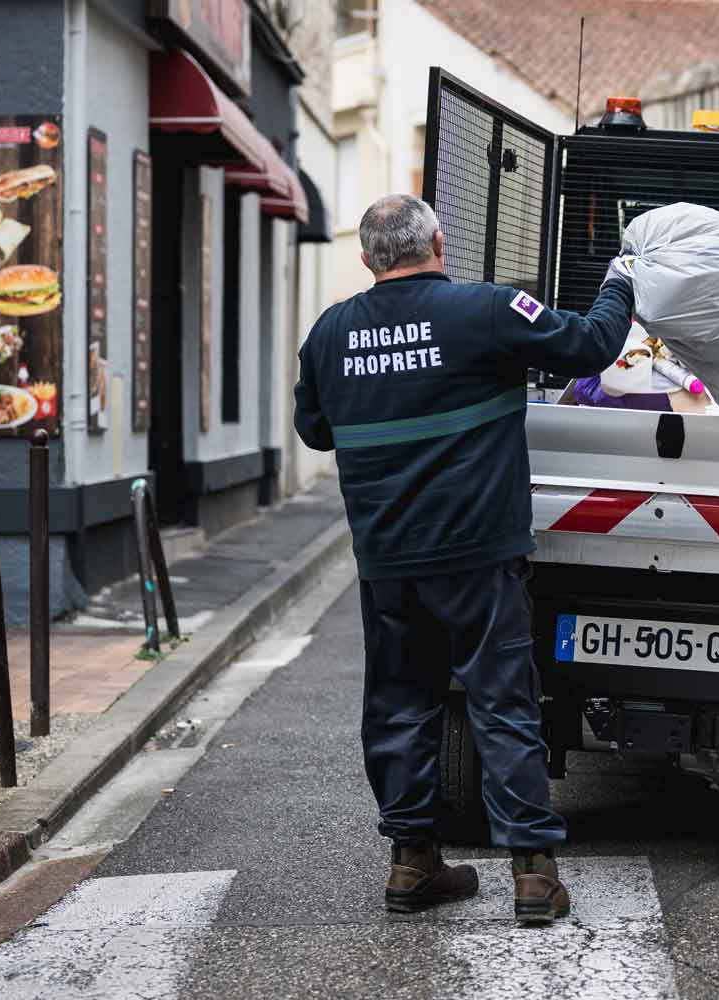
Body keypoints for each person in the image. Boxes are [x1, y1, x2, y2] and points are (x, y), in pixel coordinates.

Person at [292, 193, 635, 924]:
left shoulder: (330, 333)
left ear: (366, 260)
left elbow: (315, 431)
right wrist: (621, 280)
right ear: (439, 244)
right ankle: (533, 875)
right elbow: (590, 346)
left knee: (399, 704)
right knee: (501, 701)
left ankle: (413, 864)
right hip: (477, 551)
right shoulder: (486, 310)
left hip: (387, 556)